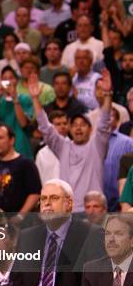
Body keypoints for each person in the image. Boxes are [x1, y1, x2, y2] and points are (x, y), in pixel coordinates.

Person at [30, 70, 112, 211]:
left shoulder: (97, 145)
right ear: (69, 129)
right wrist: (35, 99)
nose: (78, 128)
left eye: (82, 125)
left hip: (92, 211)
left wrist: (107, 96)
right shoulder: (63, 146)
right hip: (68, 212)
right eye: (74, 125)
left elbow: (104, 122)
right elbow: (45, 127)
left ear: (90, 129)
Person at [0, 123, 41, 214]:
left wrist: (19, 217)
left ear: (11, 140)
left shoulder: (26, 164)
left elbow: (35, 194)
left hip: (19, 225)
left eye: (0, 138)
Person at [36, 110, 69, 185]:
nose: (62, 127)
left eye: (65, 123)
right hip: (48, 194)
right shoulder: (41, 154)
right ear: (50, 127)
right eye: (58, 124)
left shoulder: (75, 148)